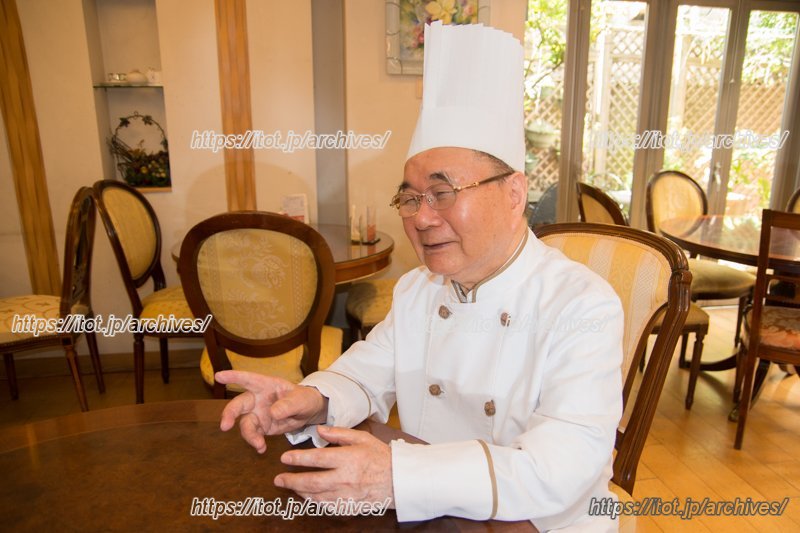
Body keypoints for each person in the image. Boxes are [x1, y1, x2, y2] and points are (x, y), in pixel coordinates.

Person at [216, 22, 624, 531]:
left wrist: (397, 477)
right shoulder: (418, 290)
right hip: (433, 512)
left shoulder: (582, 305)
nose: (422, 217)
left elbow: (560, 468)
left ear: (515, 194)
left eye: (444, 191)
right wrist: (309, 401)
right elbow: (364, 372)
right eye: (410, 197)